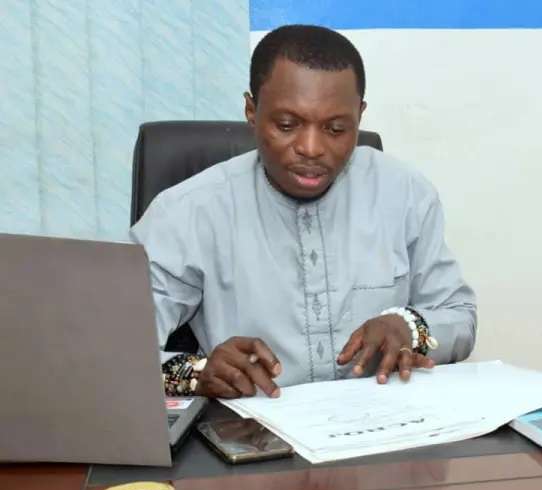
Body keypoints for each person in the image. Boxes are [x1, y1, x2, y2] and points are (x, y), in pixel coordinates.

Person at [130, 24, 477, 399]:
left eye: (336, 129)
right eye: (287, 125)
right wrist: (196, 372)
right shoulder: (187, 212)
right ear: (251, 111)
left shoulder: (403, 192)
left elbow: (459, 315)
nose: (311, 148)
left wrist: (408, 327)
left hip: (383, 422)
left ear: (359, 116)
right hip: (251, 425)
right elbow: (114, 350)